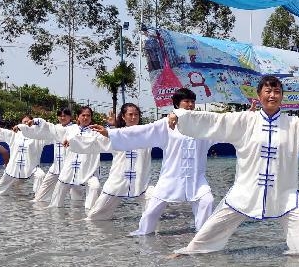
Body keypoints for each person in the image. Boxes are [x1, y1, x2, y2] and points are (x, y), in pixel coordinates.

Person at [168, 75, 299, 256]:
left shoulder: (295, 125)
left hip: (283, 193)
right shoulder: (244, 121)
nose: (272, 95)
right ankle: (190, 251)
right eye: (268, 91)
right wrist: (180, 116)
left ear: (282, 96)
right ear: (259, 95)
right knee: (214, 226)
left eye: (277, 91)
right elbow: (214, 121)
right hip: (245, 192)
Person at [95, 89, 217, 236]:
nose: (190, 105)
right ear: (177, 104)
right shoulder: (166, 125)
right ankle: (144, 232)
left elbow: (223, 124)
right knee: (152, 211)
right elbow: (143, 132)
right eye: (186, 101)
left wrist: (249, 116)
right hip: (171, 177)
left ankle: (202, 237)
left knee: (207, 201)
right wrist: (111, 132)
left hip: (196, 178)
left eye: (192, 101)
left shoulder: (202, 124)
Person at [67, 103, 152, 222]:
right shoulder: (115, 134)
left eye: (136, 114)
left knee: (153, 202)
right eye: (130, 114)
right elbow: (94, 141)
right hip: (118, 180)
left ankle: (149, 232)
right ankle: (88, 233)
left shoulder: (148, 134)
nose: (133, 117)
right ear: (123, 117)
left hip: (141, 182)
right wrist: (72, 142)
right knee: (95, 217)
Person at [23, 106, 101, 209]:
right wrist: (37, 121)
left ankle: (88, 214)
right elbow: (49, 127)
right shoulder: (69, 129)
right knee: (57, 195)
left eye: (88, 116)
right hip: (64, 169)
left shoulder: (94, 132)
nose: (85, 118)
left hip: (83, 170)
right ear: (78, 117)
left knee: (86, 192)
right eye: (83, 115)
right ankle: (48, 212)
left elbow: (109, 138)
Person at [0, 114, 47, 196]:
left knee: (40, 175)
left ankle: (38, 198)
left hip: (31, 167)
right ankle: (0, 204)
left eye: (28, 122)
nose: (26, 123)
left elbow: (48, 130)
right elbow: (0, 131)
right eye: (24, 122)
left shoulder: (38, 137)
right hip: (13, 167)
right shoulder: (14, 134)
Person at [25, 107, 75, 203]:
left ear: (70, 117)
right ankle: (39, 203)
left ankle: (76, 211)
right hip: (56, 165)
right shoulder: (55, 128)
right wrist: (35, 121)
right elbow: (46, 125)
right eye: (60, 115)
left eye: (65, 116)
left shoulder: (74, 128)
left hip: (69, 167)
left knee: (75, 193)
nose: (62, 117)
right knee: (45, 186)